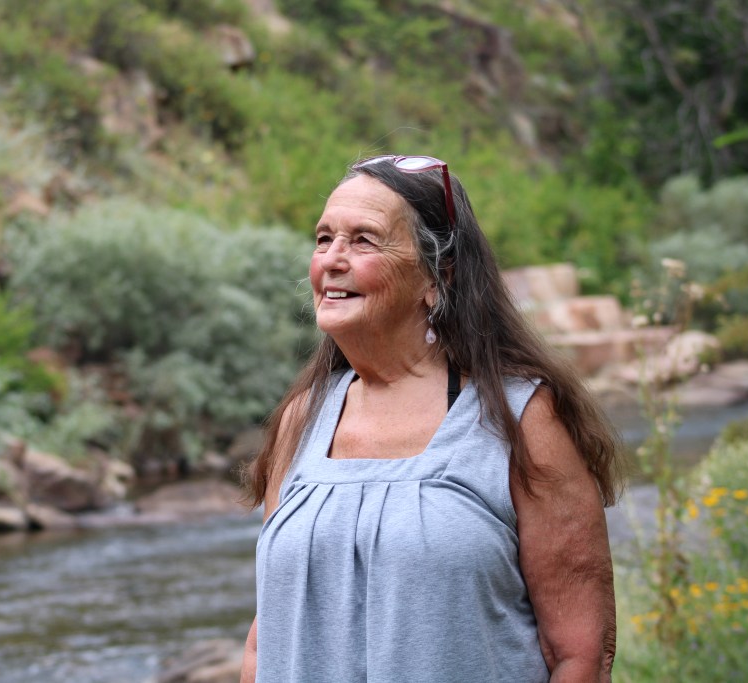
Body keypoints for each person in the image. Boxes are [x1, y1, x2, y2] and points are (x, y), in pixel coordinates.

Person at [239, 155, 623, 682]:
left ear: (436, 278)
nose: (331, 258)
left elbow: (580, 653)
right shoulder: (301, 419)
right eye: (324, 238)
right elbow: (267, 641)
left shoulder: (521, 420)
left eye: (364, 240)